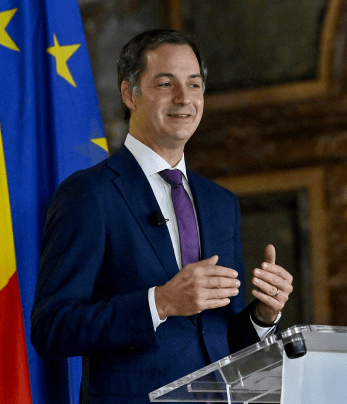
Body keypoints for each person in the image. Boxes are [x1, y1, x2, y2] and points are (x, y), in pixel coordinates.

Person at [31, 29, 294, 404]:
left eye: (194, 84)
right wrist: (161, 302)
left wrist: (263, 315)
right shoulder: (89, 194)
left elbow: (219, 339)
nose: (184, 98)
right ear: (129, 94)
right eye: (166, 84)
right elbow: (52, 328)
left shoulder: (221, 202)